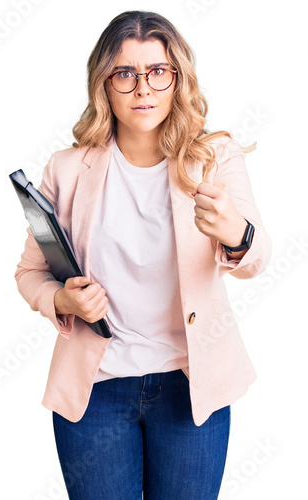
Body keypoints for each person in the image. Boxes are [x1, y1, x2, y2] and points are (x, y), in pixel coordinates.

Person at [14, 10, 272, 500]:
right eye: (125, 73)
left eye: (157, 71)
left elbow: (259, 258)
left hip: (190, 387)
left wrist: (237, 233)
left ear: (177, 78)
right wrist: (65, 302)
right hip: (97, 393)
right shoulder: (66, 169)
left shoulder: (215, 159)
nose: (142, 89)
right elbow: (30, 273)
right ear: (104, 84)